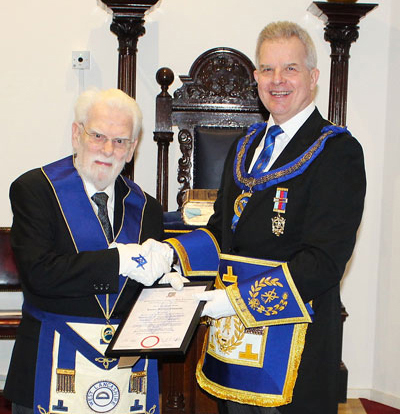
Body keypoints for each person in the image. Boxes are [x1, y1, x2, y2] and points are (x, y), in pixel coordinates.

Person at [164, 21, 366, 414]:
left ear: (313, 76)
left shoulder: (337, 152)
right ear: (256, 77)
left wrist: (236, 302)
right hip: (234, 342)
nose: (278, 80)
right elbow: (222, 230)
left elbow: (323, 261)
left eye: (290, 68)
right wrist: (172, 255)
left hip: (292, 345)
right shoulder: (246, 145)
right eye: (268, 69)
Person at [4, 88, 182, 414]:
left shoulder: (147, 209)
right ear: (76, 134)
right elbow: (40, 274)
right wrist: (120, 260)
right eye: (97, 135)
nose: (107, 149)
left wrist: (173, 291)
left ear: (132, 150)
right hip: (50, 366)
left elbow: (145, 299)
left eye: (120, 141)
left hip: (124, 379)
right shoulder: (35, 191)